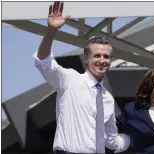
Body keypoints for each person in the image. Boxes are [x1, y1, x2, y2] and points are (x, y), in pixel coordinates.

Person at [33, 2, 130, 154]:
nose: (102, 60)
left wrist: (136, 137)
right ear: (86, 59)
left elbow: (111, 140)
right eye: (97, 55)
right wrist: (51, 30)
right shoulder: (70, 80)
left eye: (106, 56)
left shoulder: (108, 99)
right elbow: (44, 62)